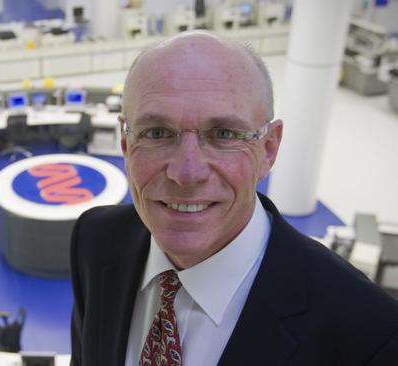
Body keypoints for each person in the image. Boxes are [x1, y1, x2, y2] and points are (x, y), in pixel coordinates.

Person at [69, 30, 398, 366]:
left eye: (223, 135)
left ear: (268, 149)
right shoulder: (95, 241)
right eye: (157, 133)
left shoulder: (370, 334)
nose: (187, 173)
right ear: (125, 144)